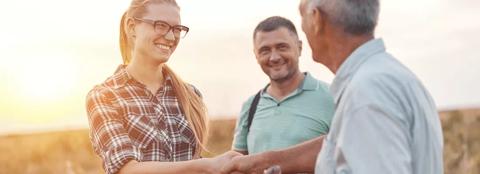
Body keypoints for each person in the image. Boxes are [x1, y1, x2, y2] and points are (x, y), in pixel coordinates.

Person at [221, 0, 444, 173]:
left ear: (316, 19)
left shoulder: (367, 93)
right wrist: (260, 162)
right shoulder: (387, 77)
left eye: (302, 16)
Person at [85, 0, 239, 173]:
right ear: (131, 27)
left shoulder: (191, 95)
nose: (171, 37)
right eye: (161, 25)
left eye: (177, 29)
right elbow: (125, 170)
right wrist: (209, 166)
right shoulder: (105, 96)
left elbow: (191, 162)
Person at [232, 16, 334, 156]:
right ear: (256, 55)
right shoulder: (250, 106)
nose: (274, 57)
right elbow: (238, 165)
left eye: (282, 47)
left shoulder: (333, 97)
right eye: (265, 50)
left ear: (299, 47)